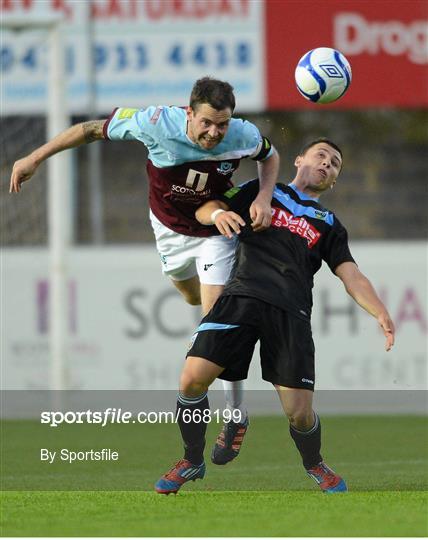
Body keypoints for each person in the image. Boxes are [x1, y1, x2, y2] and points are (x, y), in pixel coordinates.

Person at [9, 76, 280, 464]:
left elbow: (269, 157)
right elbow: (89, 130)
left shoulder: (242, 133)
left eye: (222, 124)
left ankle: (235, 415)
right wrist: (35, 157)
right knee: (189, 296)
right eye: (206, 123)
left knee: (216, 320)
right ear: (189, 112)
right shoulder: (155, 123)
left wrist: (265, 198)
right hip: (169, 228)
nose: (214, 133)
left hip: (215, 226)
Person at [154, 139, 395, 495]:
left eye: (335, 164)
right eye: (321, 156)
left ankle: (314, 464)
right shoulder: (262, 191)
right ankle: (191, 460)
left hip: (291, 312)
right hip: (241, 297)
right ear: (299, 160)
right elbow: (211, 207)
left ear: (334, 181)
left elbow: (351, 274)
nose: (327, 164)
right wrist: (219, 215)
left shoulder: (328, 223)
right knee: (191, 380)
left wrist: (380, 311)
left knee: (299, 413)